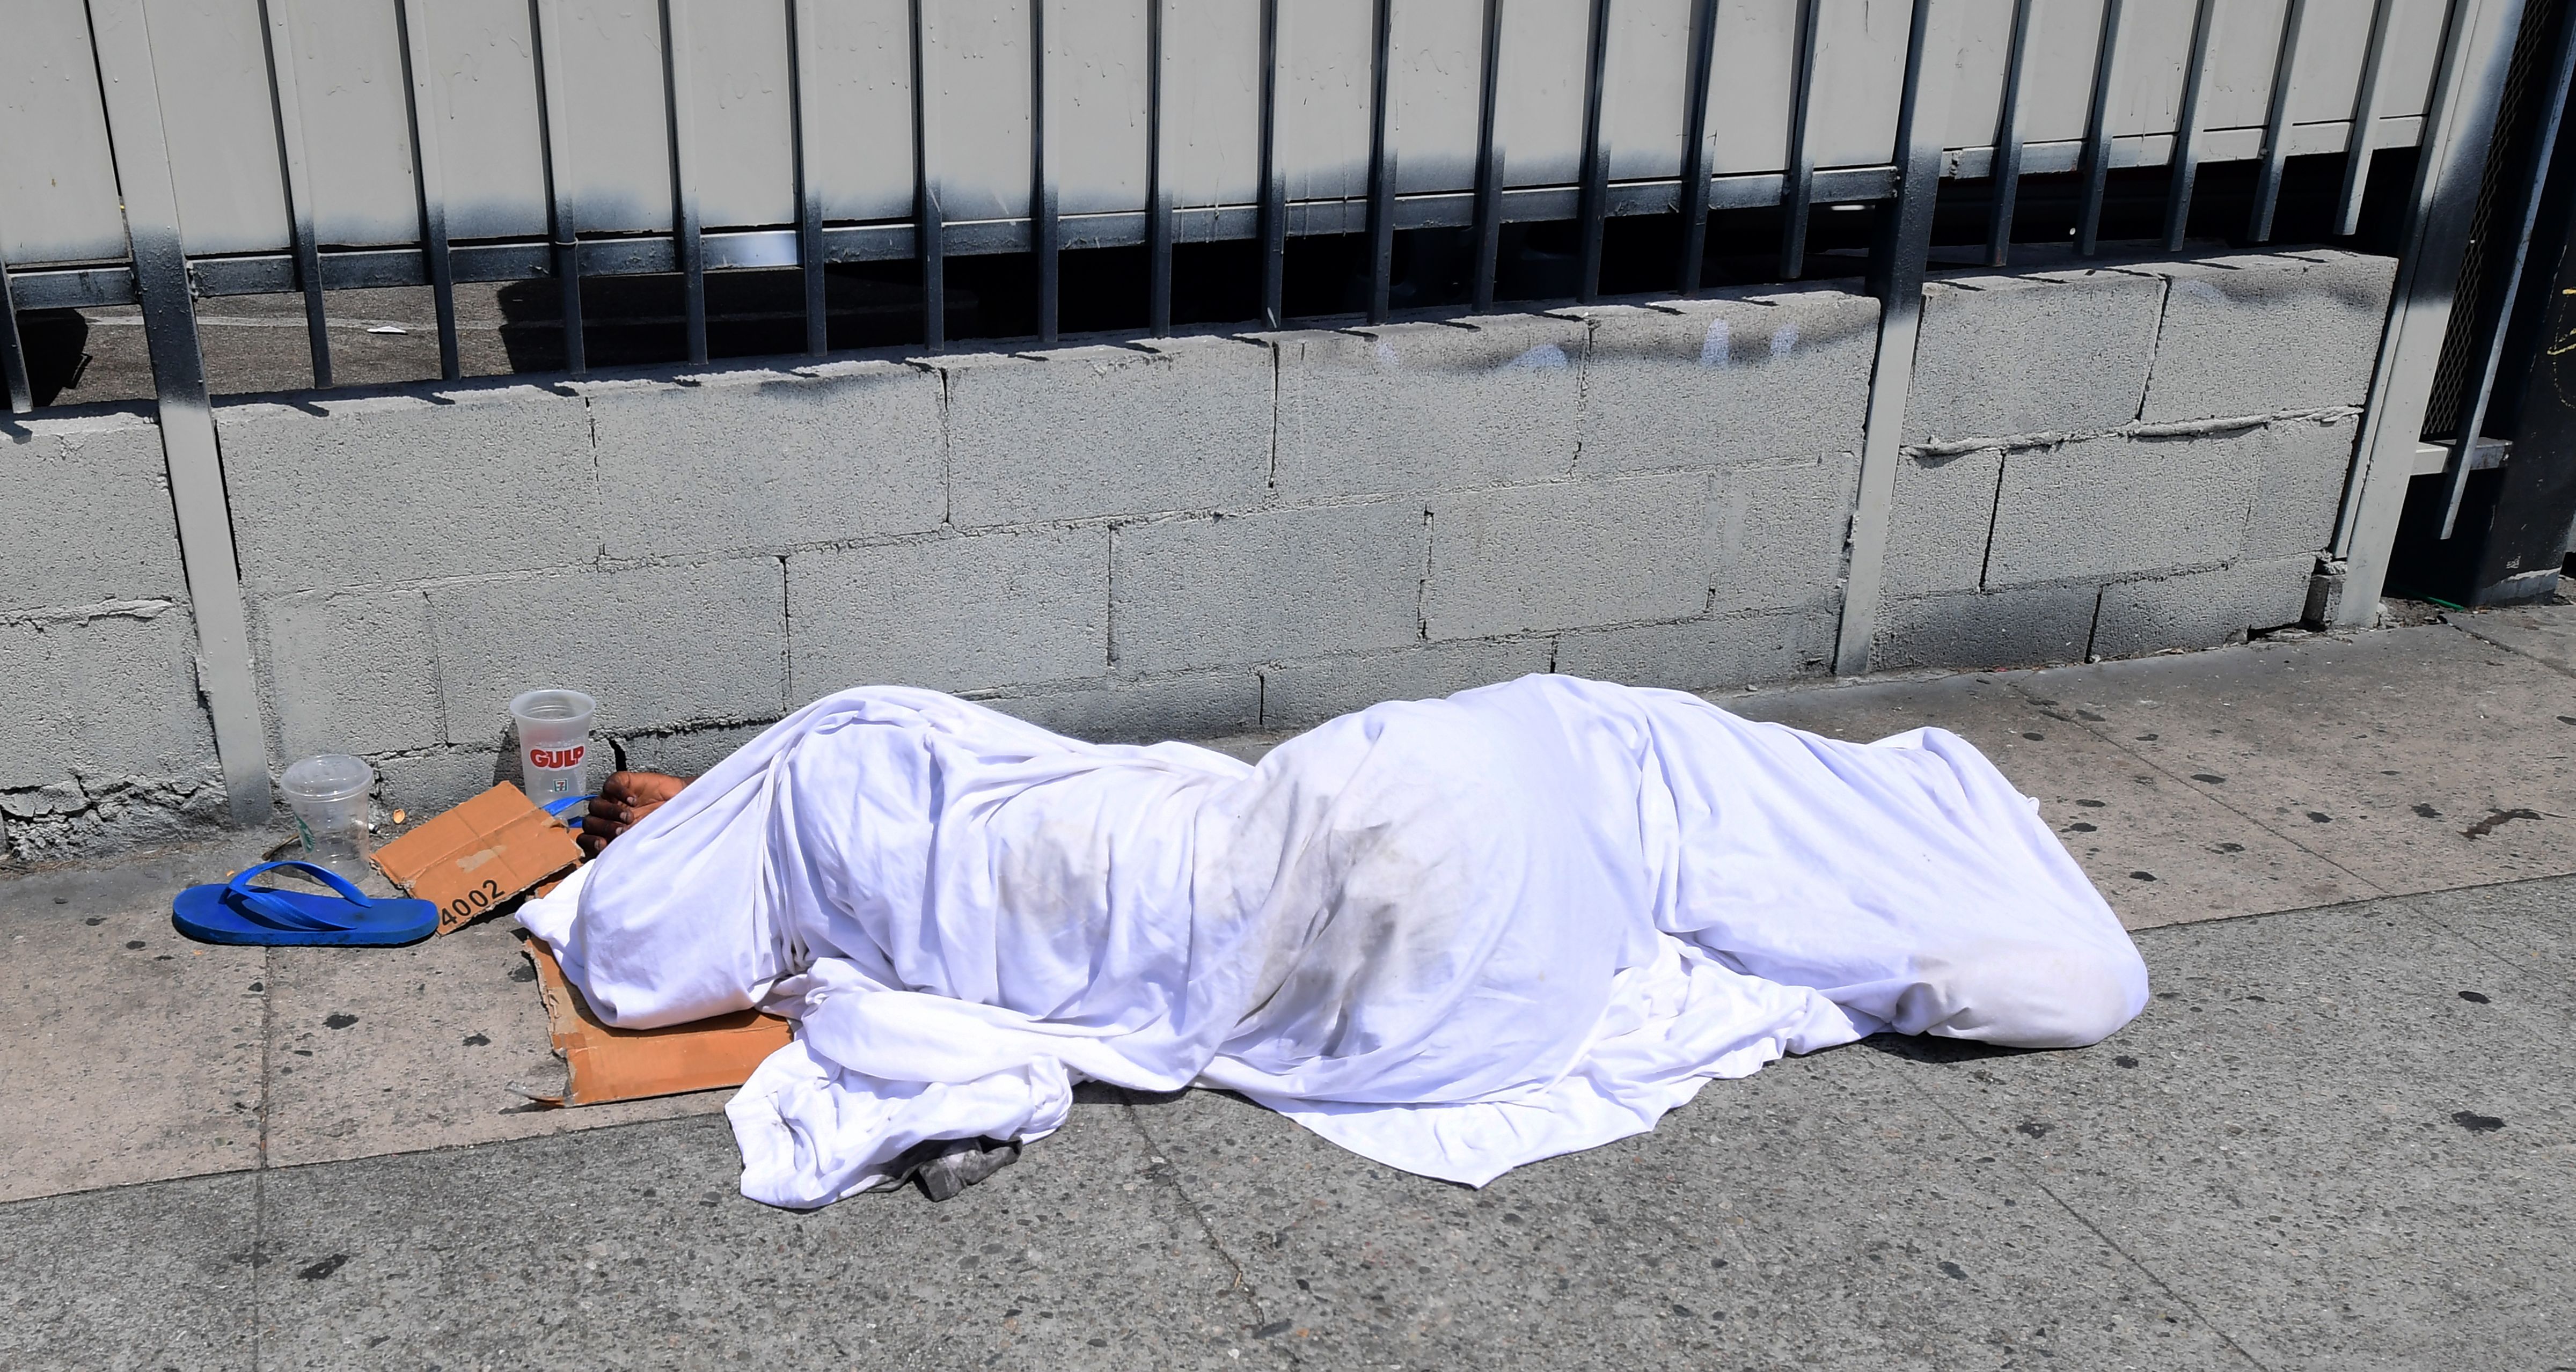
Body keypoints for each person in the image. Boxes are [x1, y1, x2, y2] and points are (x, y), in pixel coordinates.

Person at [521, 673, 2146, 1209]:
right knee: (1551, 800)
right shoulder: (869, 752)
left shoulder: (836, 779)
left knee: (1285, 861)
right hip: (1433, 788)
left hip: (1402, 836)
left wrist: (708, 868)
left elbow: (641, 965)